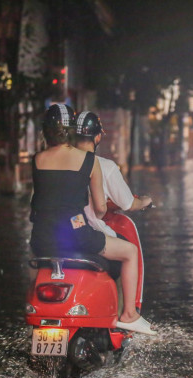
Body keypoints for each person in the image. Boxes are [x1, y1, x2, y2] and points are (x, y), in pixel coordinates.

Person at [29, 104, 156, 335]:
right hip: (76, 234)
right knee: (129, 252)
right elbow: (99, 207)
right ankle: (128, 314)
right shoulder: (89, 160)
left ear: (45, 131)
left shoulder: (37, 159)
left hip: (40, 238)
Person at [73, 110, 153, 239]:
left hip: (65, 227)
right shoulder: (103, 165)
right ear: (98, 137)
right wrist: (146, 200)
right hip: (89, 232)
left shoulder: (61, 163)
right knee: (130, 251)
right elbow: (124, 205)